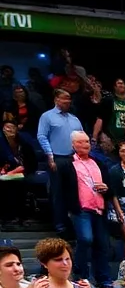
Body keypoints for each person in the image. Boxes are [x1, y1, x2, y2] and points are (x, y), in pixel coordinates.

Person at [58, 131, 110, 286]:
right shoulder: (67, 164)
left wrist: (106, 188)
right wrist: (64, 211)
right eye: (80, 142)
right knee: (85, 239)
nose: (85, 145)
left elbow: (110, 187)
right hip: (80, 209)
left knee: (102, 243)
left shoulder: (98, 162)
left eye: (87, 141)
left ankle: (103, 279)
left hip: (99, 208)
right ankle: (81, 275)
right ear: (73, 145)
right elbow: (60, 191)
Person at [36, 88, 84, 233]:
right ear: (56, 99)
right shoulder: (47, 116)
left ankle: (74, 222)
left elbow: (82, 137)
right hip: (57, 157)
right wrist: (50, 156)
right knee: (58, 192)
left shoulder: (74, 119)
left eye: (69, 99)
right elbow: (42, 136)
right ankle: (59, 223)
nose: (67, 101)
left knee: (75, 191)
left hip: (74, 158)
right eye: (64, 98)